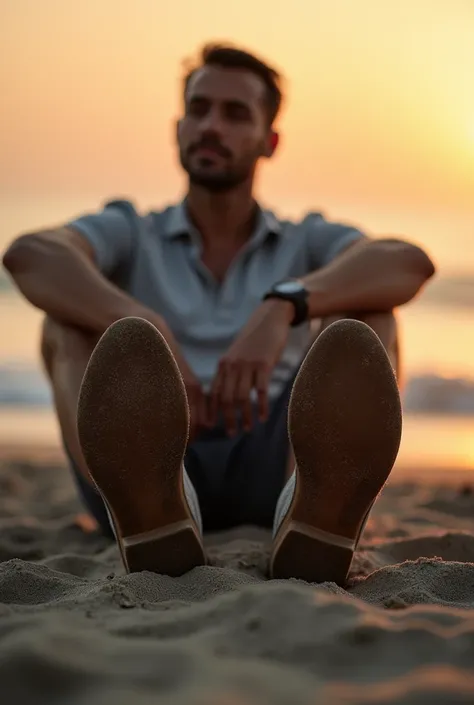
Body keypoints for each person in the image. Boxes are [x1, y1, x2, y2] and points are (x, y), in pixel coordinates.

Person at [2, 43, 435, 585]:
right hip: (144, 456)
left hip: (274, 454)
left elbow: (406, 263)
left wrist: (283, 306)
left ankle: (312, 517)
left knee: (371, 320)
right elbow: (31, 256)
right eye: (199, 109)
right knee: (64, 323)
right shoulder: (132, 231)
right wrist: (146, 324)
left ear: (269, 141)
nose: (211, 126)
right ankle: (152, 518)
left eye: (235, 114)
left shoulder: (302, 241)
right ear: (177, 128)